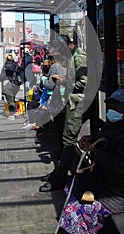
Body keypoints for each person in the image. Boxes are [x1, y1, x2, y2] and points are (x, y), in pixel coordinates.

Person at [59, 89, 124, 234]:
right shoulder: (112, 125)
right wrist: (91, 139)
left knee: (78, 213)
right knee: (72, 188)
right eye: (111, 107)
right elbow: (104, 138)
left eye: (118, 108)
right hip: (103, 182)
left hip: (116, 192)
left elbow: (119, 164)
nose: (113, 110)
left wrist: (95, 151)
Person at [40, 34, 87, 192]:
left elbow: (85, 82)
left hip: (78, 103)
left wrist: (63, 81)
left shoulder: (79, 57)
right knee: (63, 137)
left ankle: (60, 179)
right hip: (69, 101)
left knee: (68, 140)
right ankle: (60, 173)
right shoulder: (71, 56)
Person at [0, 54, 21, 120]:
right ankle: (15, 111)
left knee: (10, 100)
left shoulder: (5, 66)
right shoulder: (16, 65)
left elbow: (2, 76)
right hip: (16, 84)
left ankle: (12, 115)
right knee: (13, 98)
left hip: (7, 83)